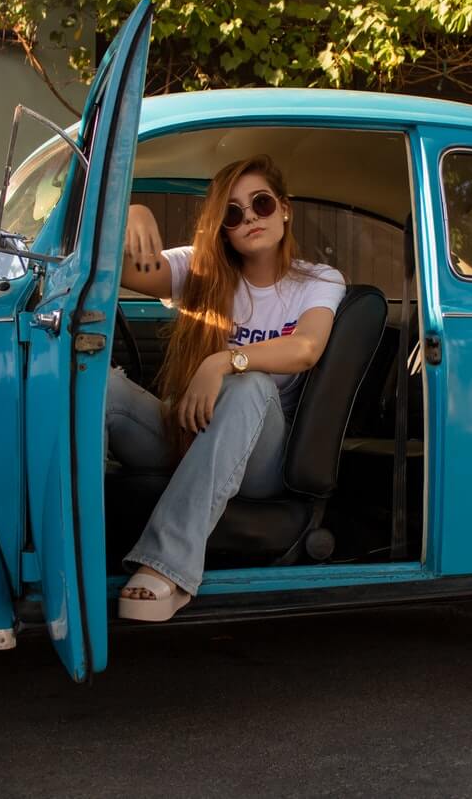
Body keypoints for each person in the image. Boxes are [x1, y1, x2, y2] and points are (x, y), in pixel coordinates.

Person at [110, 155, 346, 622]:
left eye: (260, 203)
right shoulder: (201, 271)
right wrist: (131, 215)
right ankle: (72, 544)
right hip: (196, 432)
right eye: (234, 213)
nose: (250, 219)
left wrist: (223, 361)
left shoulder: (318, 279)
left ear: (284, 209)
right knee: (102, 387)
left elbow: (305, 348)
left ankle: (167, 567)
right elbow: (112, 271)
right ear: (223, 227)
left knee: (250, 383)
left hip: (263, 456)